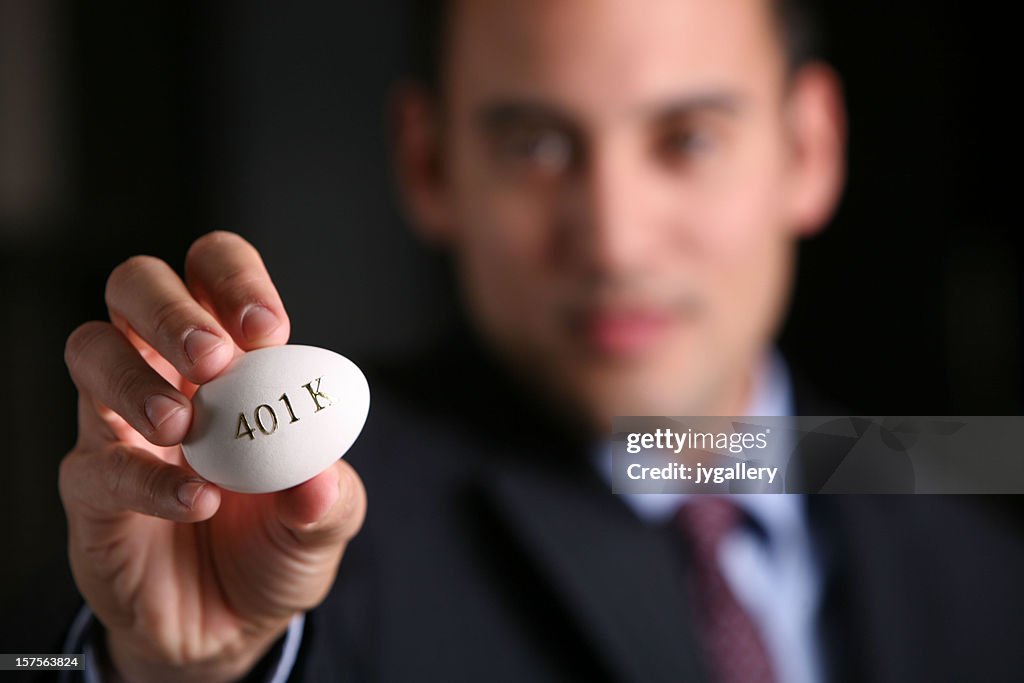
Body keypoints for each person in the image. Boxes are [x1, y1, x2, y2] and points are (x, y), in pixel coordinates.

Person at [33, 0, 1024, 681]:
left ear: (808, 149)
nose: (613, 237)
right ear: (426, 163)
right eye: (533, 145)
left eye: (687, 138)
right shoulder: (287, 536)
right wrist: (173, 671)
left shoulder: (964, 510)